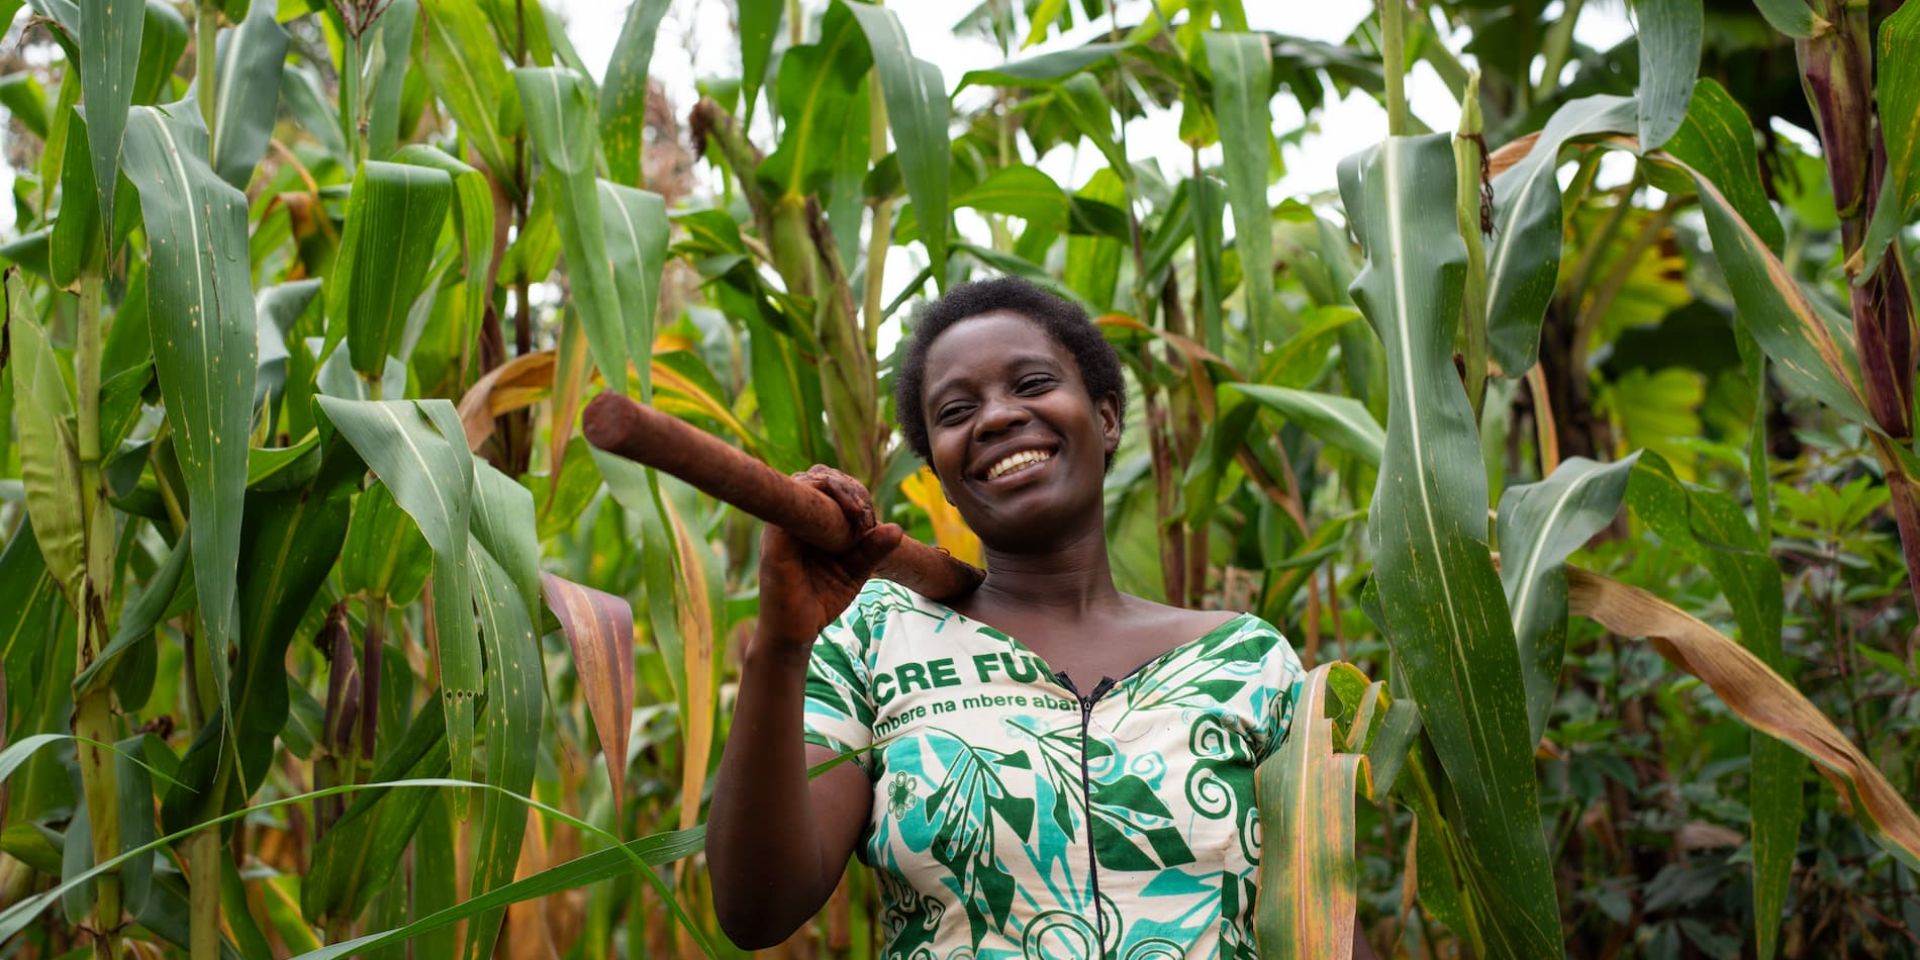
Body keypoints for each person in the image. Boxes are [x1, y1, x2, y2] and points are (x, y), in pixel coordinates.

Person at [709, 277, 1365, 958]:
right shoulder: (875, 637)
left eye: (1030, 384)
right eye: (957, 410)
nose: (995, 418)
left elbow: (1328, 921)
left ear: (1106, 418)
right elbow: (757, 910)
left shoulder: (1248, 662)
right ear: (940, 476)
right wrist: (782, 648)